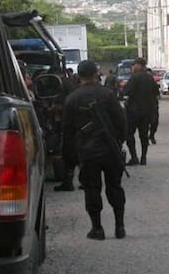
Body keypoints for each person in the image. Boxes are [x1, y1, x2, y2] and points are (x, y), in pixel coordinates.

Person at [62, 59, 128, 239]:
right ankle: (120, 226)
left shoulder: (72, 99)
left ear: (79, 76)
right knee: (115, 187)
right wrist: (119, 141)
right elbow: (121, 121)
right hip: (110, 150)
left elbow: (67, 131)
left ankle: (97, 228)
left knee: (92, 189)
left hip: (87, 152)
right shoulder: (108, 94)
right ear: (95, 74)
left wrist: (69, 158)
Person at [122, 57, 159, 166]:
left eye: (134, 65)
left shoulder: (135, 77)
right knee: (144, 135)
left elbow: (128, 92)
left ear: (139, 65)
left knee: (129, 134)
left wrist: (124, 86)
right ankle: (143, 157)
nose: (132, 67)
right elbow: (156, 91)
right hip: (146, 111)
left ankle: (134, 157)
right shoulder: (149, 77)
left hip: (133, 111)